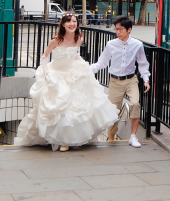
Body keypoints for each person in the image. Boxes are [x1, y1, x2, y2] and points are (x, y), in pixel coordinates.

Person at [15, 13, 118, 152]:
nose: (72, 24)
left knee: (75, 106)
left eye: (74, 21)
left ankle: (68, 140)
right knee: (59, 103)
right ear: (63, 24)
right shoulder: (56, 40)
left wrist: (83, 64)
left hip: (72, 73)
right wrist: (46, 72)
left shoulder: (79, 39)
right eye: (68, 21)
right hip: (56, 73)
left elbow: (74, 54)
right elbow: (44, 57)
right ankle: (61, 139)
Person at [91, 16, 150, 148]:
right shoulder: (111, 45)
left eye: (121, 29)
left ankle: (133, 136)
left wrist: (146, 79)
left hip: (131, 80)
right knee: (113, 111)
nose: (118, 32)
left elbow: (142, 64)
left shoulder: (137, 45)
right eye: (116, 29)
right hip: (115, 81)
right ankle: (111, 138)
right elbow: (102, 62)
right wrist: (88, 70)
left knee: (135, 103)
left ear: (129, 30)